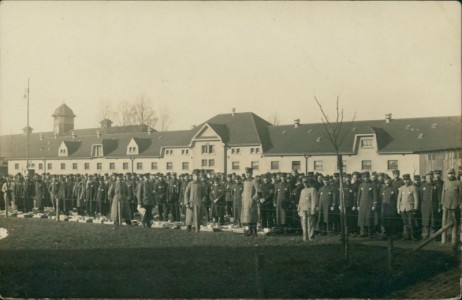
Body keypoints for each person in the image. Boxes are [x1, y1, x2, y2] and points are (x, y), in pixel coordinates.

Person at [441, 169, 461, 244]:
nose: (451, 175)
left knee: (455, 223)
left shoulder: (458, 183)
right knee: (444, 222)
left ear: (454, 174)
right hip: (446, 205)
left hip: (455, 206)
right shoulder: (445, 183)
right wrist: (442, 203)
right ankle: (443, 239)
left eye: (452, 174)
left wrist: (459, 204)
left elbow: (461, 195)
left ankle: (454, 240)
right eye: (449, 174)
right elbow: (443, 194)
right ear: (447, 175)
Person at [397, 174, 419, 241]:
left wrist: (415, 208)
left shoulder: (413, 188)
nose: (406, 181)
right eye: (404, 180)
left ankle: (413, 236)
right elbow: (399, 199)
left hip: (410, 208)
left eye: (407, 179)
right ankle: (407, 236)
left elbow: (416, 199)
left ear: (409, 179)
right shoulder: (401, 188)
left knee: (411, 223)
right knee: (405, 223)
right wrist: (398, 208)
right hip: (402, 209)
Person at [356, 171, 378, 238]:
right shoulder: (361, 185)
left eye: (367, 177)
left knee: (369, 219)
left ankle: (370, 233)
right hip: (362, 204)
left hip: (369, 204)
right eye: (365, 177)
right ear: (363, 178)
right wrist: (358, 205)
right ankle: (363, 232)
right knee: (362, 219)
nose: (366, 178)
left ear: (369, 177)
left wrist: (374, 205)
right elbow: (358, 195)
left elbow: (375, 195)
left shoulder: (373, 184)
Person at [420, 172, 440, 239]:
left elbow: (439, 197)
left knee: (433, 220)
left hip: (434, 205)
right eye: (428, 176)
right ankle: (426, 234)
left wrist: (439, 206)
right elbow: (421, 196)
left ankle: (433, 235)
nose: (429, 178)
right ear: (426, 177)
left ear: (432, 177)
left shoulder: (436, 185)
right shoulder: (423, 186)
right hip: (425, 206)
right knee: (426, 220)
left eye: (430, 176)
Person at [298, 177, 318, 241]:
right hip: (303, 210)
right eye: (304, 182)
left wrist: (313, 209)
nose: (305, 183)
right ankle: (305, 237)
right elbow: (300, 200)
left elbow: (314, 200)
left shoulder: (312, 190)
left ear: (309, 182)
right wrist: (299, 209)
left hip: (309, 209)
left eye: (306, 182)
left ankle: (311, 237)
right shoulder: (302, 190)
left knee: (310, 224)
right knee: (303, 224)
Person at [241, 167, 259, 237]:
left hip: (251, 202)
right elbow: (244, 191)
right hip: (245, 202)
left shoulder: (254, 181)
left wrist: (253, 199)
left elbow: (259, 192)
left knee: (253, 217)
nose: (247, 174)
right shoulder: (245, 181)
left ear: (252, 173)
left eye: (249, 173)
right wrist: (242, 196)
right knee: (247, 217)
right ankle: (250, 231)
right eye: (246, 173)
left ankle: (254, 232)